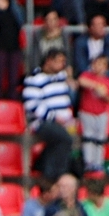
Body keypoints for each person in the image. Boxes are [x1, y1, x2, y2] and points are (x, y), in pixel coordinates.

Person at [22, 50, 76, 183]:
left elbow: (67, 102)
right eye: (58, 61)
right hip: (43, 122)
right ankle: (55, 175)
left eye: (63, 62)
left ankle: (44, 167)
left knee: (65, 140)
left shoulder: (62, 78)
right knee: (65, 139)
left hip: (64, 121)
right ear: (48, 61)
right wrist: (54, 117)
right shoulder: (34, 79)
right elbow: (32, 105)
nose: (62, 65)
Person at [76, 54, 109, 176]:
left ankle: (98, 162)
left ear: (106, 68)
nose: (97, 67)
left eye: (101, 64)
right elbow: (81, 81)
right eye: (95, 64)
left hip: (101, 113)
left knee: (100, 139)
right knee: (88, 137)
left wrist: (104, 95)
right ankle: (88, 162)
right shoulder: (87, 76)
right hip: (87, 112)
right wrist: (96, 86)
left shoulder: (108, 82)